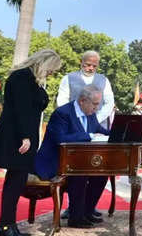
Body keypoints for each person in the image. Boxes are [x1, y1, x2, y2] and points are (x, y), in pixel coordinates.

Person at [0, 49, 62, 236]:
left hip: (23, 136)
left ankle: (7, 225)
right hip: (18, 138)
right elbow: (21, 110)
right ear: (44, 63)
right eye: (52, 69)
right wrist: (25, 137)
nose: (52, 73)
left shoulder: (30, 78)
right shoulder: (22, 77)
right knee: (15, 182)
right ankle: (6, 225)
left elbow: (37, 103)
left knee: (16, 181)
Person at [35, 85, 110, 228]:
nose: (96, 108)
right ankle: (75, 217)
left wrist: (116, 134)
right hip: (54, 161)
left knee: (101, 174)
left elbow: (100, 131)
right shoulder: (62, 113)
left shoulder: (90, 114)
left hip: (77, 162)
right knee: (80, 173)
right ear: (82, 100)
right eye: (94, 104)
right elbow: (61, 139)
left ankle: (87, 211)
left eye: (98, 104)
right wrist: (89, 136)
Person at [57, 50, 115, 129]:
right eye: (88, 65)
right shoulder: (68, 78)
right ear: (81, 62)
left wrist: (96, 119)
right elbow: (62, 101)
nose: (91, 68)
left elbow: (109, 103)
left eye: (94, 66)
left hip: (98, 126)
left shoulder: (104, 80)